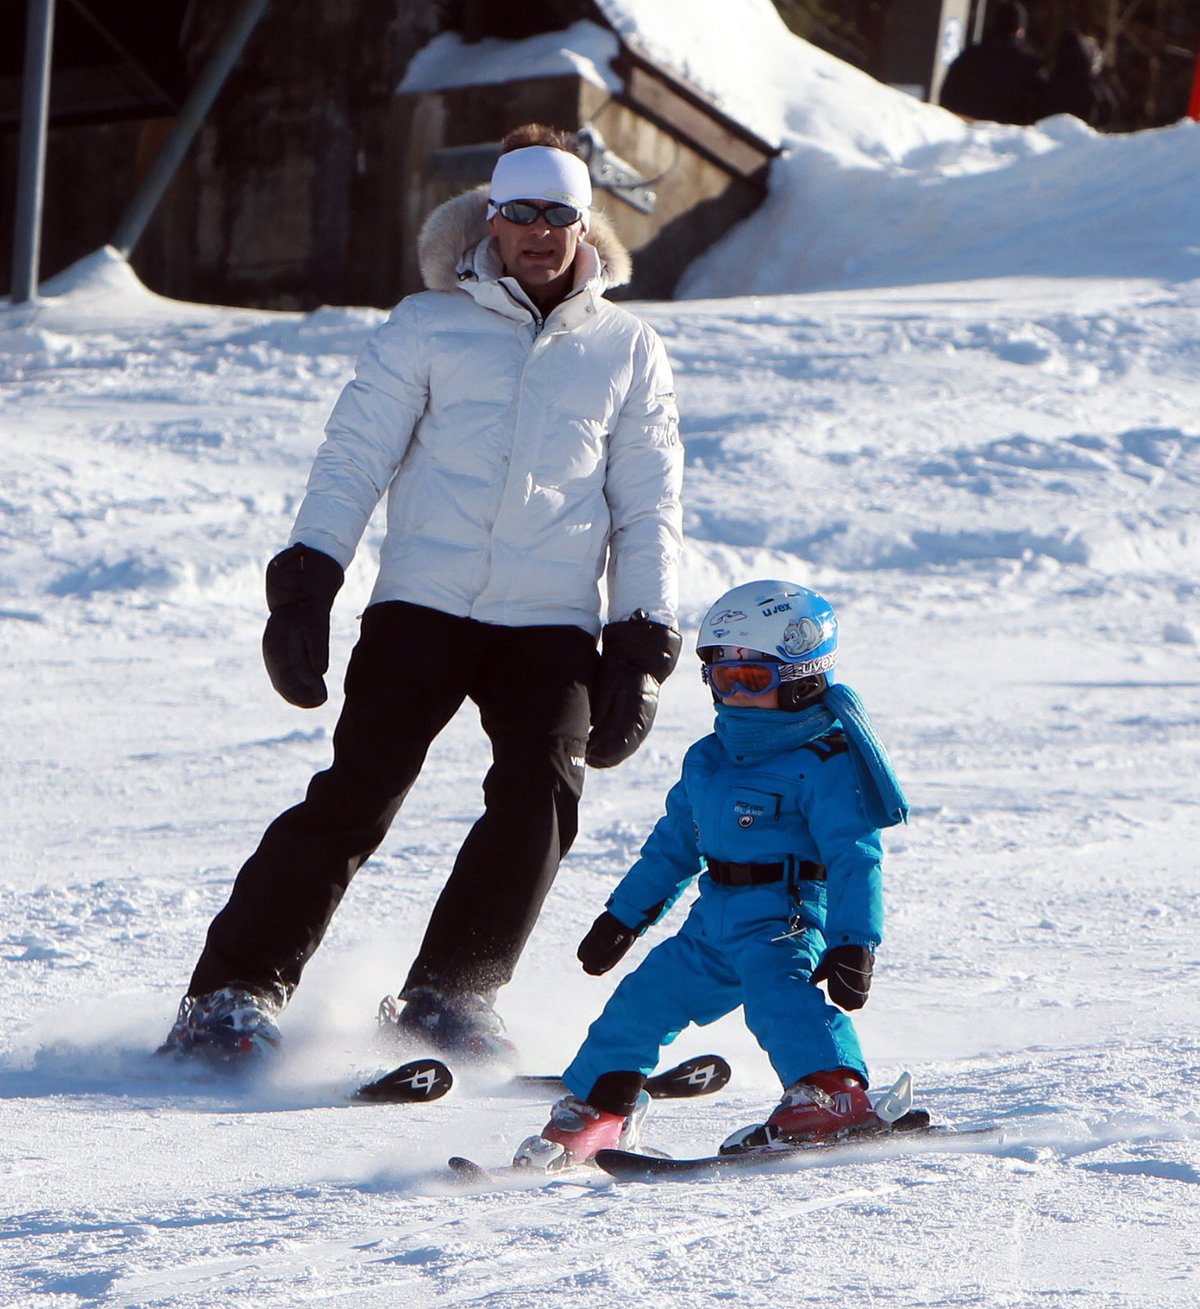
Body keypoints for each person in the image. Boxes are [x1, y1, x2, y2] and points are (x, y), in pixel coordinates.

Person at [160, 123, 685, 1064]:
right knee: (359, 794)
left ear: (584, 223)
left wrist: (641, 647)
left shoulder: (626, 348)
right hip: (424, 606)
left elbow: (648, 506)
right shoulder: (427, 323)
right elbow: (354, 456)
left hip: (549, 620)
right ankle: (231, 992)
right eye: (519, 211)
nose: (538, 230)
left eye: (558, 213)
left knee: (541, 799)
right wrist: (306, 582)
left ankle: (449, 994)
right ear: (492, 217)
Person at [511, 580, 909, 1170]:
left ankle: (833, 1095)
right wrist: (622, 919)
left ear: (802, 677)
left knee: (780, 1000)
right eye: (725, 679)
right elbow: (673, 847)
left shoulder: (824, 762)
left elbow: (856, 856)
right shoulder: (710, 758)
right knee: (640, 1002)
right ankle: (600, 1112)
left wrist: (855, 943)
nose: (737, 695)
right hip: (713, 919)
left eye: (753, 679)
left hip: (788, 916)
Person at [938, 1, 1047, 126]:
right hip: (1007, 139)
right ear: (1020, 30)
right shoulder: (1031, 66)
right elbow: (1039, 108)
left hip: (966, 132)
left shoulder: (968, 57)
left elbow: (947, 96)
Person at [1039, 28, 1117, 128]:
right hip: (1087, 136)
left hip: (1054, 136)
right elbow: (1109, 108)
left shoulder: (1050, 81)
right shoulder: (1092, 82)